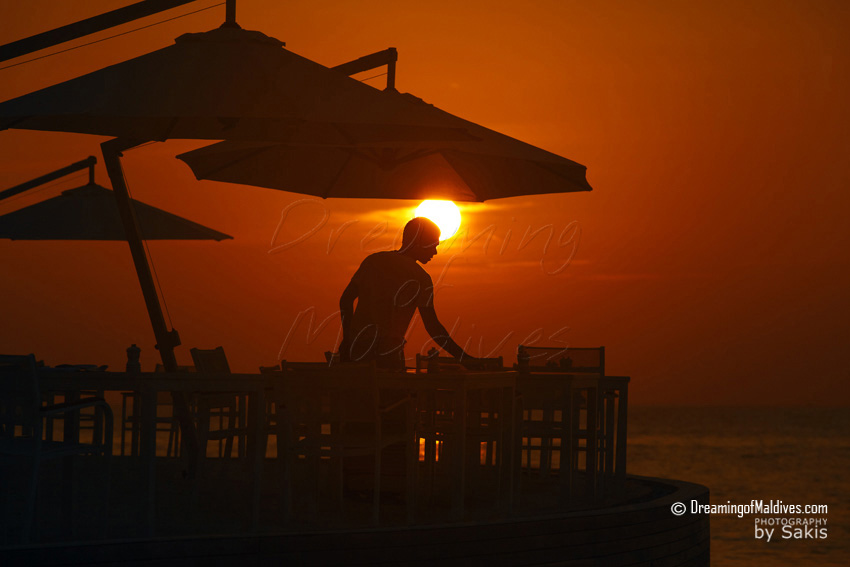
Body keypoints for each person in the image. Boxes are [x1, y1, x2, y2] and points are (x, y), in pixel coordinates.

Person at [339, 217, 475, 369]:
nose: (435, 252)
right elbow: (433, 326)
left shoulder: (373, 261)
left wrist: (347, 339)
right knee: (391, 392)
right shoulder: (421, 278)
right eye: (432, 245)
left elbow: (345, 300)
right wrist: (463, 357)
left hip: (357, 348)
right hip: (388, 355)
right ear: (417, 242)